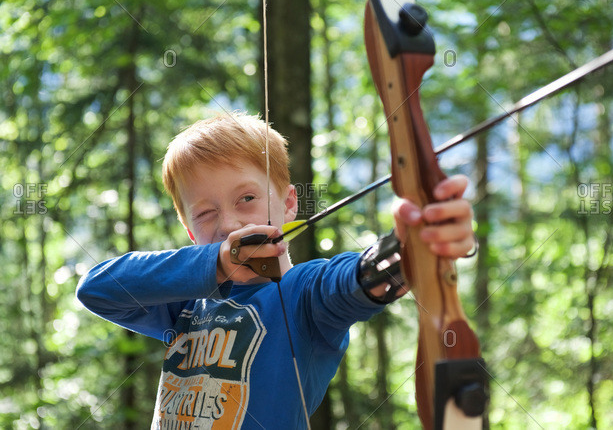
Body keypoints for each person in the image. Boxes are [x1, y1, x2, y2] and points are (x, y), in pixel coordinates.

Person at [76, 112, 475, 429]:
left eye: (246, 198)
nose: (230, 223)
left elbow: (355, 280)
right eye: (206, 212)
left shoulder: (304, 294)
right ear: (189, 231)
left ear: (288, 205)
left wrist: (410, 250)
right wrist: (215, 263)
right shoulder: (183, 303)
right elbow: (96, 288)